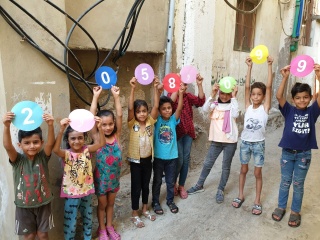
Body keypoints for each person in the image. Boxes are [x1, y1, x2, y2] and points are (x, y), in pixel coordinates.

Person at [271, 64, 320, 227]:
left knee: (298, 184)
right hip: (287, 153)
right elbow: (279, 96)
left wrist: (319, 76)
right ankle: (281, 207)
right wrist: (285, 77)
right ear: (293, 99)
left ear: (310, 98)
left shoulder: (312, 112)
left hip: (303, 155)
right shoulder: (289, 110)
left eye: (305, 97)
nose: (302, 100)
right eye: (298, 98)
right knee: (285, 181)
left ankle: (295, 211)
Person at [231, 56, 274, 215]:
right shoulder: (248, 106)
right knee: (243, 170)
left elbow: (269, 87)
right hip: (245, 143)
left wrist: (269, 65)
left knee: (257, 173)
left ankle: (257, 200)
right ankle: (240, 195)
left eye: (259, 94)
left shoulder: (265, 108)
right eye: (253, 94)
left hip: (258, 144)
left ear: (263, 97)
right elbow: (247, 86)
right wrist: (249, 67)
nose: (255, 96)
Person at [2, 112, 55, 240]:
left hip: (44, 203)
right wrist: (6, 126)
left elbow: (50, 144)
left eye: (35, 142)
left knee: (43, 235)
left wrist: (51, 125)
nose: (32, 146)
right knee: (29, 236)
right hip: (23, 205)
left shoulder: (42, 157)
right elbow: (8, 147)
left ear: (41, 143)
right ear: (20, 145)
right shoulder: (17, 160)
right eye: (27, 143)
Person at [53, 116, 105, 240]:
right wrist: (61, 130)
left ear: (84, 138)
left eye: (80, 137)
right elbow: (55, 149)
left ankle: (87, 237)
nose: (77, 141)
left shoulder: (87, 149)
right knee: (70, 222)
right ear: (68, 140)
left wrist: (99, 128)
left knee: (88, 219)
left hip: (86, 192)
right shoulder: (66, 153)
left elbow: (102, 143)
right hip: (71, 195)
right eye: (73, 138)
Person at [187, 80, 239, 204]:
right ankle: (199, 185)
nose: (224, 96)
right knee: (207, 163)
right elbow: (204, 109)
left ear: (231, 94)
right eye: (222, 93)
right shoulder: (214, 104)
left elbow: (236, 113)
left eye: (227, 94)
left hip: (230, 141)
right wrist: (212, 94)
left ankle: (220, 189)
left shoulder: (232, 105)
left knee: (225, 167)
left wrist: (235, 97)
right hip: (216, 141)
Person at [127, 77, 162, 228]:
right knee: (136, 187)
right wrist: (133, 88)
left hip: (148, 160)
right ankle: (135, 213)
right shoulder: (132, 123)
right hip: (135, 161)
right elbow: (128, 109)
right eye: (138, 112)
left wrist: (155, 88)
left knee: (146, 185)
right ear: (135, 113)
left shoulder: (150, 121)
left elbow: (156, 106)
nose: (141, 114)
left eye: (144, 111)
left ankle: (145, 209)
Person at [90, 85, 122, 240]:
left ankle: (109, 226)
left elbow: (120, 116)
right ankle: (101, 229)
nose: (108, 127)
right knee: (102, 205)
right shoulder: (97, 138)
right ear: (98, 125)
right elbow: (91, 119)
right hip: (102, 180)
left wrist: (116, 97)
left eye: (110, 124)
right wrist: (95, 97)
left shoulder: (117, 136)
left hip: (114, 178)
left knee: (111, 203)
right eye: (104, 124)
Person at [168, 73, 205, 199]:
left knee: (186, 159)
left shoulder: (188, 96)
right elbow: (170, 103)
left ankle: (181, 185)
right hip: (176, 133)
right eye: (179, 83)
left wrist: (199, 85)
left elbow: (200, 101)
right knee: (179, 160)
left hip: (188, 132)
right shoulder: (171, 95)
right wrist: (177, 92)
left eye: (184, 84)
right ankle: (172, 183)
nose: (182, 86)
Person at [152, 84, 185, 215]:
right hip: (159, 157)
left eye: (169, 108)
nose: (167, 111)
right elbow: (155, 106)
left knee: (171, 181)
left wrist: (181, 93)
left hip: (172, 157)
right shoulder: (156, 120)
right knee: (158, 181)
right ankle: (155, 201)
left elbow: (180, 108)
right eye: (164, 109)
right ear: (159, 110)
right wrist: (157, 91)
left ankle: (170, 200)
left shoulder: (173, 120)